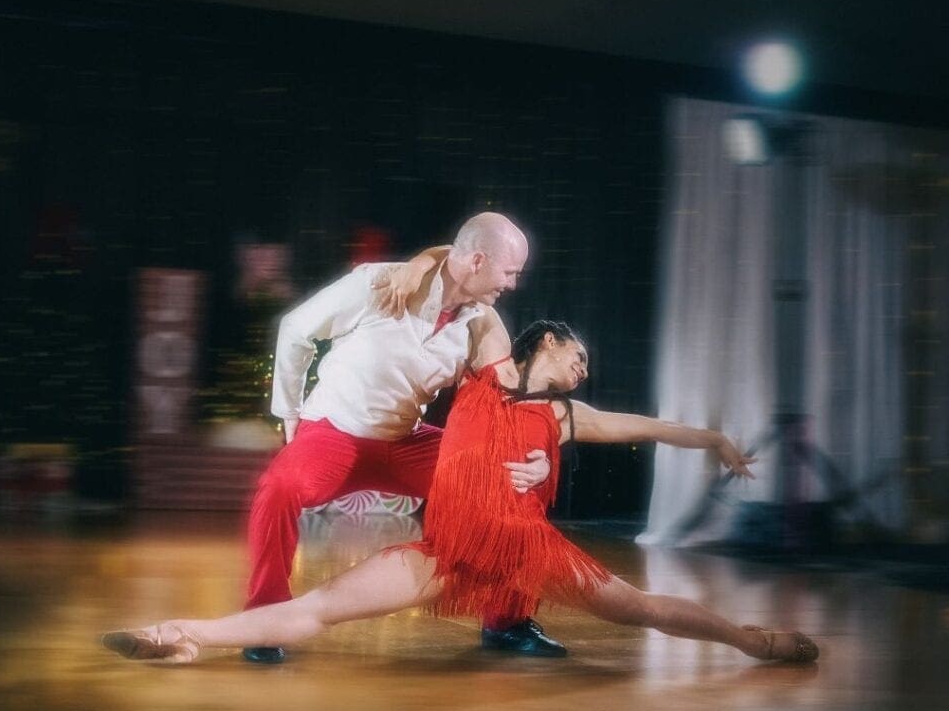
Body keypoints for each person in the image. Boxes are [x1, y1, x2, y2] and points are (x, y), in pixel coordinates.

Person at [104, 320, 820, 666]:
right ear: (547, 340)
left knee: (642, 609)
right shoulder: (485, 371)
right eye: (578, 355)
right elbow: (478, 289)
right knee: (318, 609)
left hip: (524, 547)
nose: (583, 369)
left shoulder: (564, 415)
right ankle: (182, 635)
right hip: (448, 551)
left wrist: (714, 440)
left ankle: (750, 641)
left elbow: (648, 425)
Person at [242, 212, 565, 664]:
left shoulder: (482, 325)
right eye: (509, 272)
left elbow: (509, 404)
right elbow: (297, 328)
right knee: (277, 488)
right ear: (477, 261)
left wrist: (536, 455)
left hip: (404, 439)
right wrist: (289, 411)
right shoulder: (381, 283)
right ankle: (264, 618)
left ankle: (506, 621)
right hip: (334, 433)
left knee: (507, 485)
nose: (513, 284)